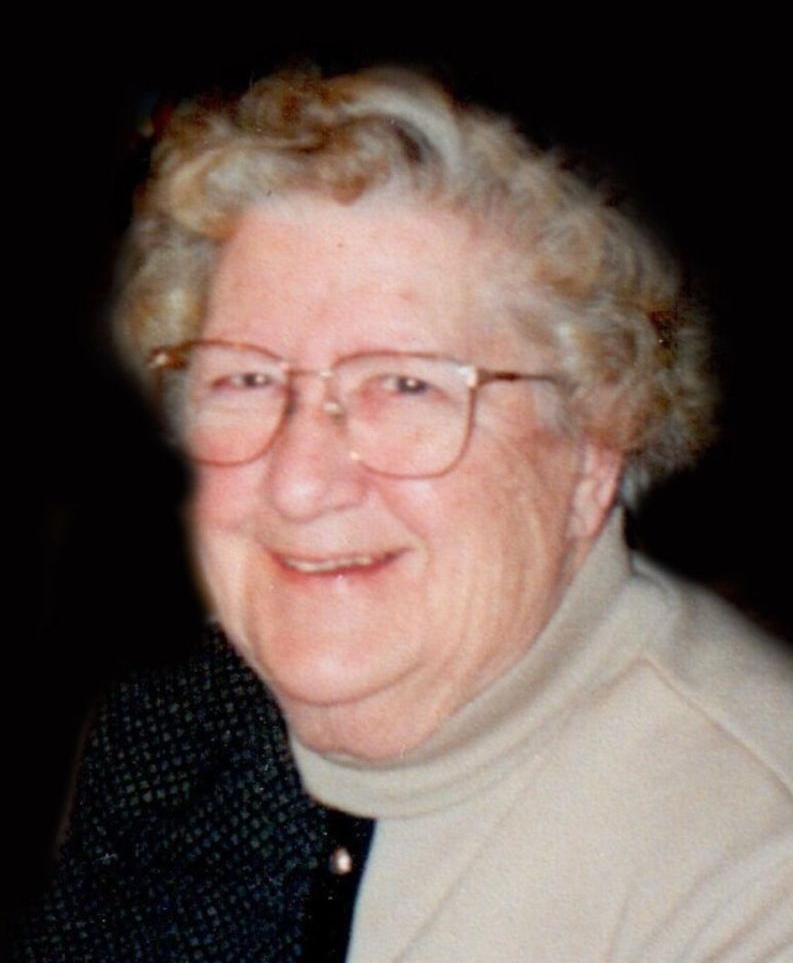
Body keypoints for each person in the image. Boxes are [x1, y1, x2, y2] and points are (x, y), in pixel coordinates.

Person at [15, 67, 792, 961]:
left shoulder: (747, 874)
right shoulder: (168, 738)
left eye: (405, 385)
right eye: (248, 378)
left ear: (591, 450)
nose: (299, 483)